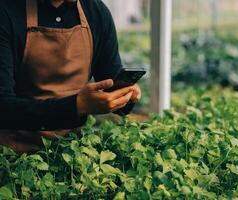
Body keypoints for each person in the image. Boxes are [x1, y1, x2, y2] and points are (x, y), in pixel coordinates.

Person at [0, 0, 141, 153]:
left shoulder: (96, 11)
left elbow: (111, 80)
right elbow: (3, 107)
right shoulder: (6, 11)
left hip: (74, 153)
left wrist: (125, 96)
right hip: (14, 156)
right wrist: (77, 106)